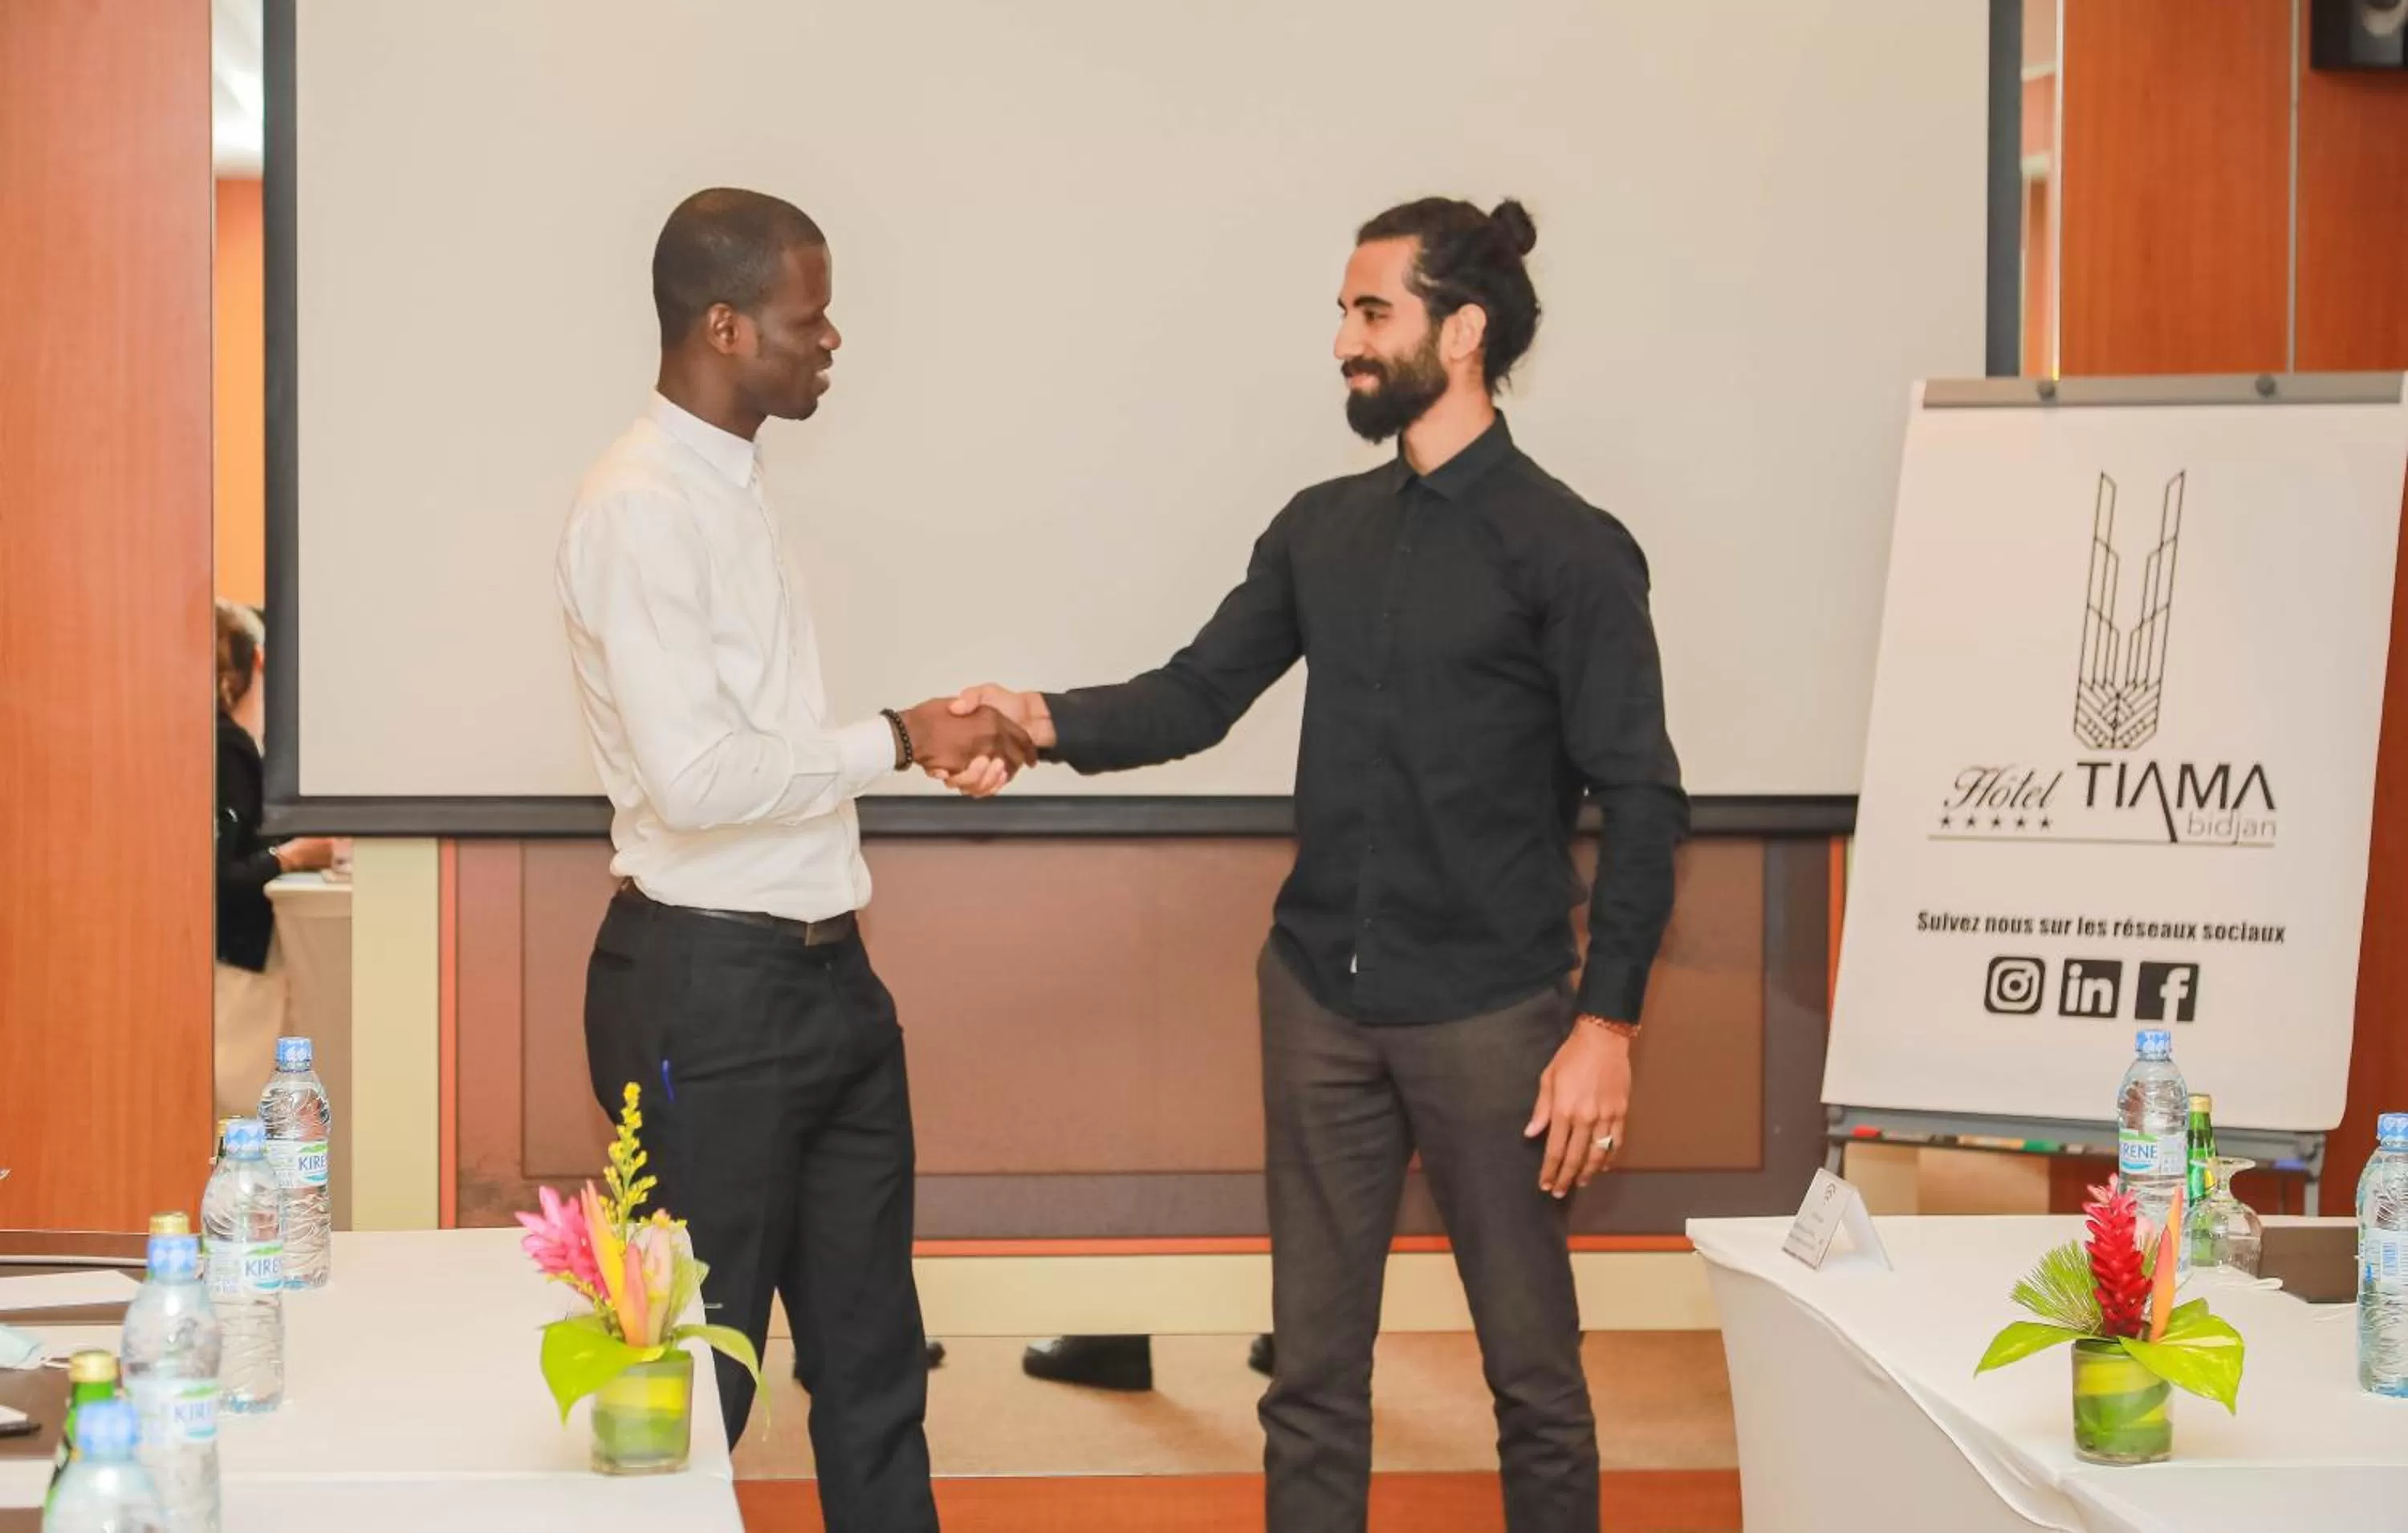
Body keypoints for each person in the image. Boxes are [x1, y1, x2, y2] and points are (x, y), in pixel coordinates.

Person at [945, 197, 1687, 1533]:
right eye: (1343, 313)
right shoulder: (1318, 529)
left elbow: (1642, 795)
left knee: (1534, 1381)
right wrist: (1037, 720)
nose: (1343, 340)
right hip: (1317, 1002)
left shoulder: (1570, 549)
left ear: (1460, 332)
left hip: (1497, 1019)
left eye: (1370, 311)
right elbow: (1195, 695)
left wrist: (1607, 1025)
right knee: (1312, 1384)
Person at [557, 187, 1035, 1533]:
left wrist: (909, 740)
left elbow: (761, 749)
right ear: (723, 325)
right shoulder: (640, 509)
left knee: (877, 1364)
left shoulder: (730, 486)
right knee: (696, 1377)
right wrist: (896, 735)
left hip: (828, 984)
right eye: (805, 319)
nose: (830, 342)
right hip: (709, 995)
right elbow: (696, 782)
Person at [213, 600, 335, 1118]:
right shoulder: (230, 750)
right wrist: (293, 856)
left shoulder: (200, 743)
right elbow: (219, 876)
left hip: (223, 962)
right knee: (242, 1110)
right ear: (260, 662)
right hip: (237, 964)